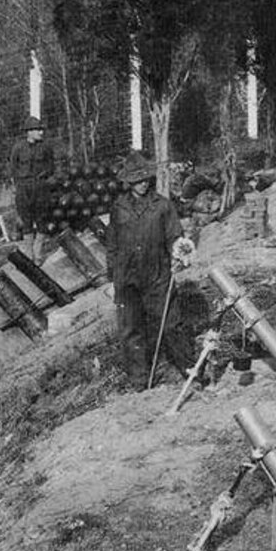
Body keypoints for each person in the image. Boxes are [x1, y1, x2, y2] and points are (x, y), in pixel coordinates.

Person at [105, 152, 195, 389]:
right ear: (128, 182)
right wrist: (111, 277)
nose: (143, 183)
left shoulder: (162, 206)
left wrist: (180, 253)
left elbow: (175, 236)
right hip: (127, 279)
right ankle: (139, 380)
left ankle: (190, 370)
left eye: (145, 178)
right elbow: (112, 244)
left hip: (157, 275)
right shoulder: (118, 208)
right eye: (137, 179)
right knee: (131, 330)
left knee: (171, 324)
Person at [10, 115, 56, 263]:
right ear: (29, 132)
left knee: (42, 218)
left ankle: (38, 251)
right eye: (37, 130)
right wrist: (17, 186)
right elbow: (12, 167)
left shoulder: (46, 147)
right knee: (26, 220)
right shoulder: (18, 147)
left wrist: (44, 177)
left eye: (41, 129)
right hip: (23, 188)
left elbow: (51, 166)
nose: (41, 132)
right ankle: (29, 254)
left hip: (41, 187)